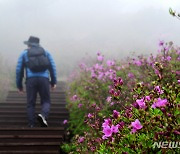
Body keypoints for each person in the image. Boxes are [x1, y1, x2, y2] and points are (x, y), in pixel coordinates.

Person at [16, 36, 57, 128]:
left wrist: (19, 85)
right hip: (44, 79)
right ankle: (43, 116)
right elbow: (52, 67)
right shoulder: (46, 53)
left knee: (31, 103)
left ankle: (31, 124)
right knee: (46, 101)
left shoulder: (24, 54)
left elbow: (19, 70)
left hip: (31, 80)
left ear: (29, 45)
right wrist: (53, 82)